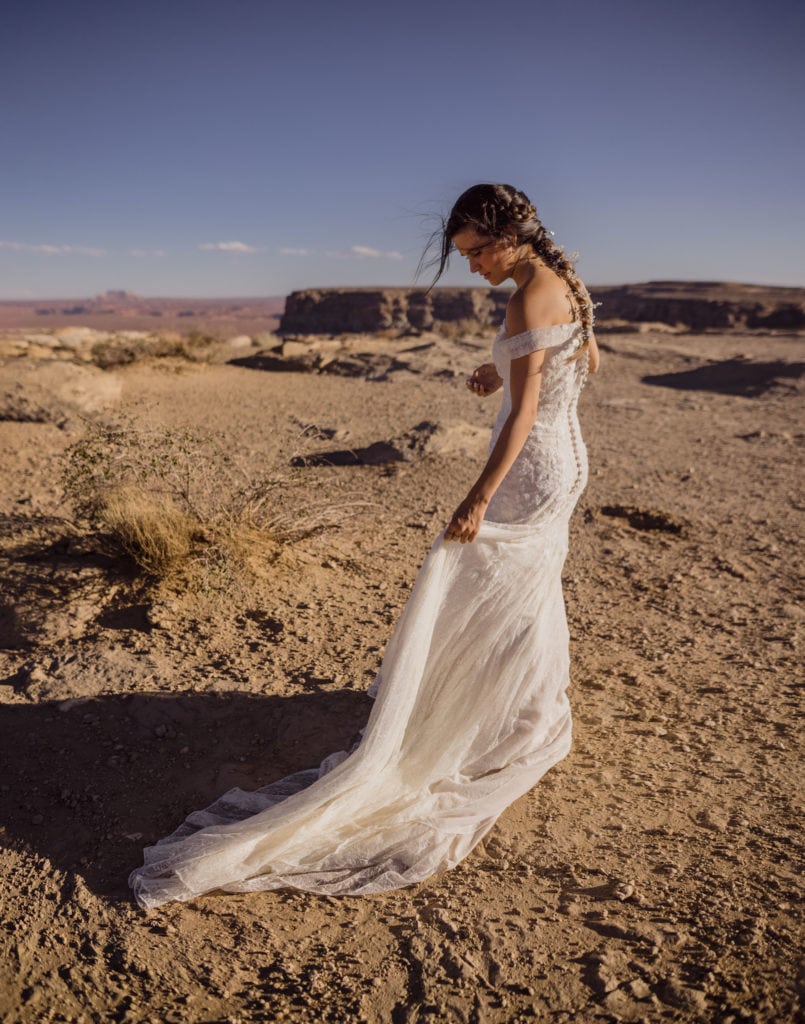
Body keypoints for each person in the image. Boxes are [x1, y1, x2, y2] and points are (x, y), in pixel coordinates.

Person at [129, 183, 599, 908]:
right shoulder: (558, 281)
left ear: (507, 236)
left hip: (529, 468)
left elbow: (526, 412)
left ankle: (490, 721)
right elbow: (566, 367)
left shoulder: (524, 296)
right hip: (564, 464)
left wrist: (474, 495)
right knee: (521, 588)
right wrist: (497, 369)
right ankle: (523, 712)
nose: (472, 267)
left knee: (474, 580)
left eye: (476, 251)